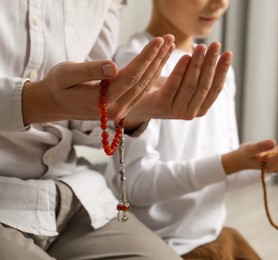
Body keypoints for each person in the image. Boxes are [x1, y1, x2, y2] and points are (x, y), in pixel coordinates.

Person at [106, 0, 278, 259]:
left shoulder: (220, 72)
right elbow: (136, 186)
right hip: (163, 247)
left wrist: (267, 163)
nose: (220, 4)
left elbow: (223, 173)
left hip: (214, 238)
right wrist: (230, 163)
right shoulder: (134, 65)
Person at [0, 1, 233, 259]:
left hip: (75, 194)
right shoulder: (133, 51)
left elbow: (90, 108)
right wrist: (36, 101)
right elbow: (140, 183)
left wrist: (130, 111)